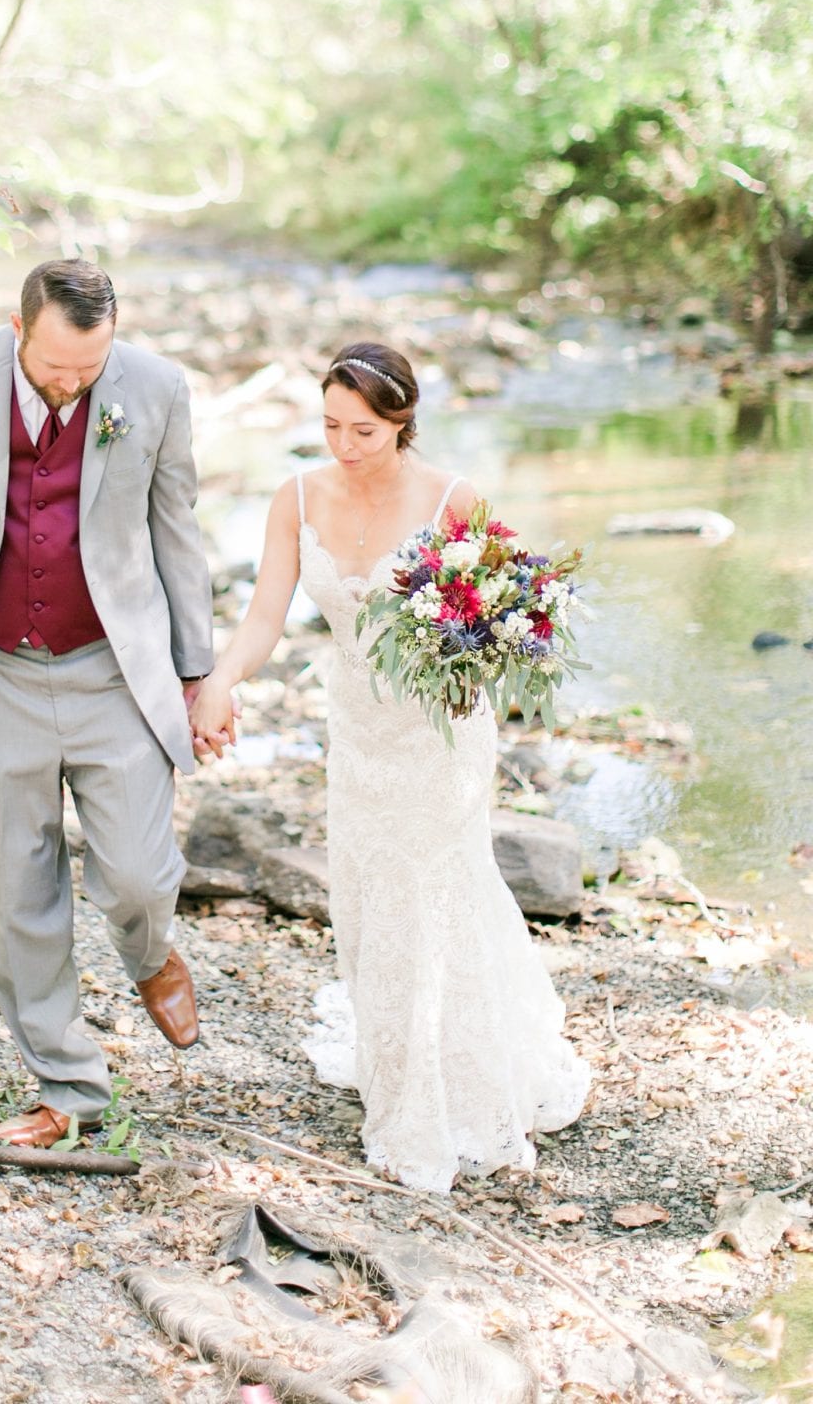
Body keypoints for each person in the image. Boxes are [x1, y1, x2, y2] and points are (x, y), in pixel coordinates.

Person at [190, 341, 589, 1191]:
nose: (343, 444)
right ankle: (398, 1062)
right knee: (371, 896)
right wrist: (222, 679)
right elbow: (265, 615)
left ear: (401, 422)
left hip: (442, 734)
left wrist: (473, 667)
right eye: (331, 425)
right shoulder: (295, 496)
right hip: (360, 735)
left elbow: (493, 620)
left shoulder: (453, 499)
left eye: (363, 430)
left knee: (433, 889)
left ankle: (452, 1094)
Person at [0, 259, 214, 1148]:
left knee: (136, 870)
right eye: (55, 366)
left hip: (112, 670)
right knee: (15, 895)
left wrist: (198, 673)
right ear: (15, 330)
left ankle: (149, 952)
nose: (70, 384)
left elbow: (177, 532)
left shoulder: (157, 388)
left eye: (88, 371)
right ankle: (70, 1088)